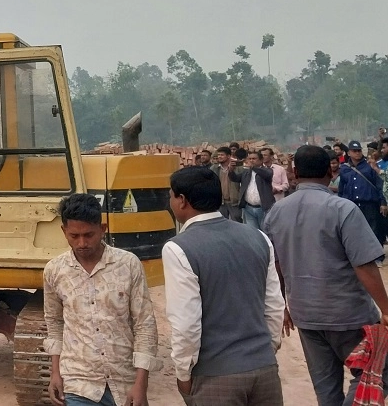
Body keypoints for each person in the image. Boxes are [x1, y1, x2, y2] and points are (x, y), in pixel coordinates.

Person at [263, 145, 388, 406]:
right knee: (376, 372)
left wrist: (285, 303)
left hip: (305, 314)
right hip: (348, 314)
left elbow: (276, 263)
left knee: (326, 389)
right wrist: (386, 308)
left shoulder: (276, 212)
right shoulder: (342, 209)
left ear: (294, 172)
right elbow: (364, 265)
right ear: (331, 173)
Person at [163, 166, 285, 405]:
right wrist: (265, 352)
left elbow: (186, 323)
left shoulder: (178, 248)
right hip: (264, 369)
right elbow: (274, 305)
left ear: (182, 200)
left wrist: (183, 373)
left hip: (215, 376)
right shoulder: (258, 237)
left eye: (171, 196)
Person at [43, 193, 158, 406]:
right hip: (78, 382)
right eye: (74, 236)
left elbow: (145, 325)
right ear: (64, 231)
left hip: (123, 381)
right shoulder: (54, 271)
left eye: (89, 235)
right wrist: (55, 373)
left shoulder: (128, 265)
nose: (82, 243)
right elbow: (54, 323)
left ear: (102, 229)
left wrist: (141, 384)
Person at [333, 141, 387, 252]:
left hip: (369, 203)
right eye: (354, 151)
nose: (357, 153)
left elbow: (379, 185)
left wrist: (382, 202)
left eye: (359, 150)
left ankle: (376, 255)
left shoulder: (370, 166)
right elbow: (342, 189)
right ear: (349, 152)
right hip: (351, 204)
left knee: (373, 230)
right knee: (354, 230)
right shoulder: (344, 169)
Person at [238, 150, 276, 231]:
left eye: (254, 159)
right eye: (250, 159)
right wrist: (230, 170)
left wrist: (253, 168)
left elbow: (267, 175)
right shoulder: (246, 172)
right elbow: (235, 178)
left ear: (261, 160)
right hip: (249, 208)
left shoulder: (267, 170)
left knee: (265, 231)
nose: (251, 161)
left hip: (263, 208)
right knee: (253, 232)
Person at [210, 147, 239, 220]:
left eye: (222, 155)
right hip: (221, 201)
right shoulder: (214, 168)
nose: (219, 156)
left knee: (237, 223)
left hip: (235, 201)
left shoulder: (237, 168)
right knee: (221, 223)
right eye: (218, 155)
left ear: (229, 156)